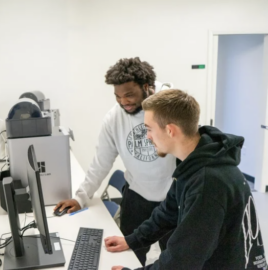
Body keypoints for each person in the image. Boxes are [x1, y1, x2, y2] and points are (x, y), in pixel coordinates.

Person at [105, 89, 267, 270]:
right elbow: (168, 213)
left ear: (170, 130)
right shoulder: (195, 163)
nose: (148, 136)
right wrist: (133, 240)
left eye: (149, 129)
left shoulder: (207, 183)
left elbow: (181, 261)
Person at [55, 57, 176, 265]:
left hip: (173, 199)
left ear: (147, 87)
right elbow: (101, 161)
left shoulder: (172, 109)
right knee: (130, 257)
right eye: (118, 96)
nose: (123, 102)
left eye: (129, 95)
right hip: (137, 199)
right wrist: (81, 197)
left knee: (174, 259)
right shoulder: (114, 118)